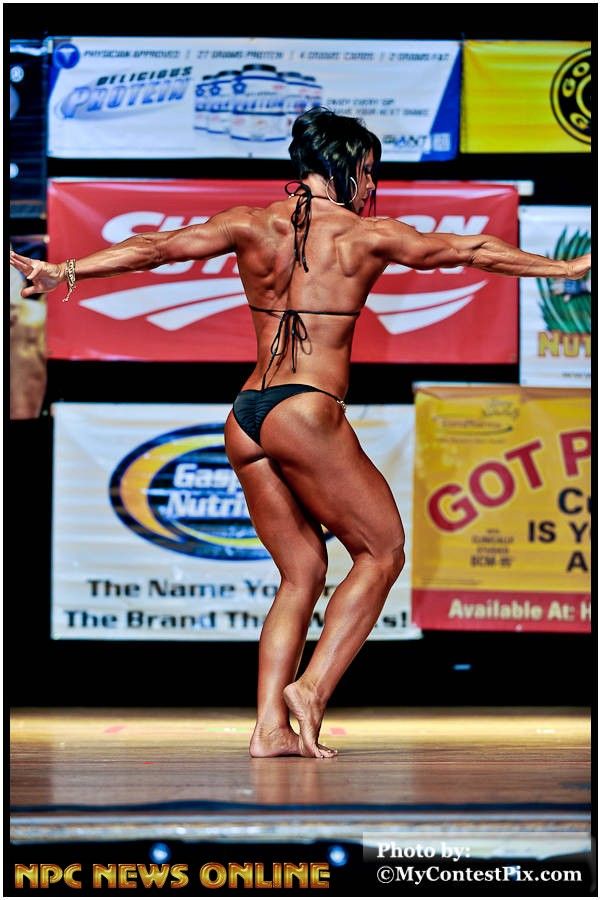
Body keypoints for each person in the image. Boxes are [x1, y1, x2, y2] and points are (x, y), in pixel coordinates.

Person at [10, 107, 591, 759]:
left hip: (247, 414)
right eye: (368, 171)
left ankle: (268, 729)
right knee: (383, 552)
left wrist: (65, 270)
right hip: (304, 410)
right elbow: (473, 250)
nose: (372, 186)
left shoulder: (250, 223)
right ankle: (310, 689)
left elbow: (158, 247)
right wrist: (568, 271)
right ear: (344, 167)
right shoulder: (365, 236)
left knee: (303, 571)